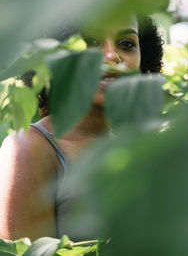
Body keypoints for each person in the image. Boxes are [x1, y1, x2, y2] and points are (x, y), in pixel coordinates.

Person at [0, 16, 163, 240]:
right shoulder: (29, 147)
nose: (111, 56)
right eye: (91, 41)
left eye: (126, 44)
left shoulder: (140, 145)